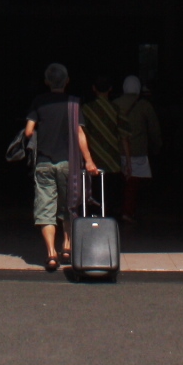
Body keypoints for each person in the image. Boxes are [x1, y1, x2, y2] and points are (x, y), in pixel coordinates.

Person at [23, 62, 100, 272]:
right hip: (69, 163)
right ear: (67, 81)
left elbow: (28, 131)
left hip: (44, 162)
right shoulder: (73, 104)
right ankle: (66, 247)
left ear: (46, 81)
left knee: (46, 208)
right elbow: (80, 133)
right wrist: (89, 160)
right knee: (69, 206)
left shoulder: (39, 101)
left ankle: (51, 254)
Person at [114, 75, 162, 222]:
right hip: (137, 150)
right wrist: (157, 145)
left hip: (117, 149)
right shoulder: (144, 105)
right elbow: (154, 128)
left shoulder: (115, 103)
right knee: (133, 183)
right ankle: (128, 211)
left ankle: (118, 208)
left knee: (120, 182)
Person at [82, 76, 127, 178]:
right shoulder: (116, 109)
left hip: (93, 161)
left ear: (94, 88)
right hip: (113, 161)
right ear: (110, 88)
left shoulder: (87, 109)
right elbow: (124, 137)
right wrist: (128, 162)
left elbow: (81, 134)